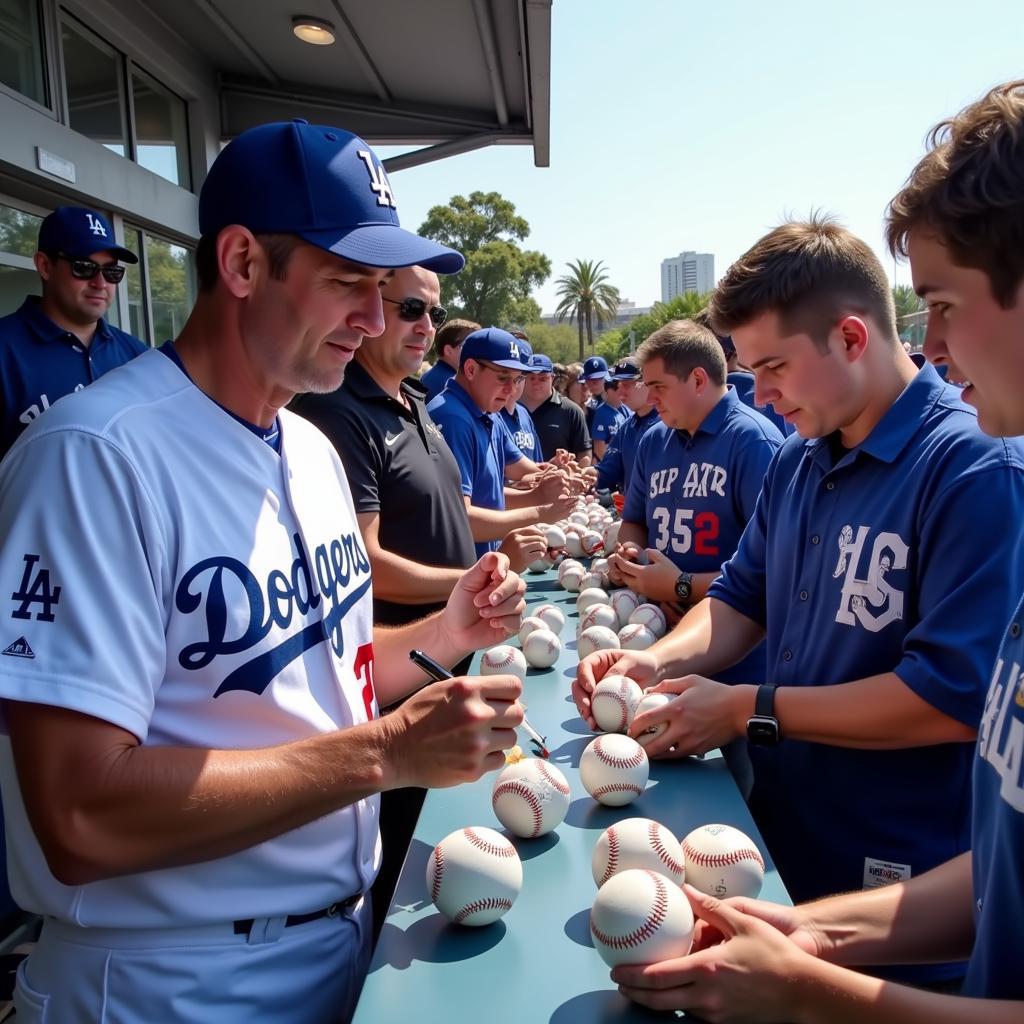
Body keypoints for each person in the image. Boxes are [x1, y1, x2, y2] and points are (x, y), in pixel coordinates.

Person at [0, 121, 528, 1024]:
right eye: (349, 283)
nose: (372, 317)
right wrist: (387, 754)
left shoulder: (313, 448)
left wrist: (443, 637)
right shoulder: (95, 455)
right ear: (242, 263)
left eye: (385, 291)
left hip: (334, 944)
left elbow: (320, 680)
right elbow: (81, 815)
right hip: (167, 978)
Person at [609, 79, 1024, 1023]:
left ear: (848, 336)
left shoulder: (974, 470)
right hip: (806, 862)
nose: (760, 392)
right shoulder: (800, 463)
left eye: (772, 368)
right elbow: (739, 598)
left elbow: (946, 701)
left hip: (903, 882)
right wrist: (657, 659)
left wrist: (753, 708)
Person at [0, 206, 147, 459]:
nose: (101, 283)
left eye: (112, 272)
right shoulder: (5, 350)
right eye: (84, 267)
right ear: (45, 266)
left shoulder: (137, 356)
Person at [427, 329, 575, 559]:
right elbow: (459, 519)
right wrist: (540, 512)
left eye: (517, 379)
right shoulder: (452, 417)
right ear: (471, 369)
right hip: (457, 577)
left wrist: (547, 485)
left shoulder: (487, 410)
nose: (512, 389)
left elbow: (489, 493)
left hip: (482, 567)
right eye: (503, 377)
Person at [595, 358, 660, 494]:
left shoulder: (668, 425)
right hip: (633, 512)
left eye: (626, 385)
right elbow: (609, 470)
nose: (620, 393)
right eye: (618, 386)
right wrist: (583, 476)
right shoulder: (627, 427)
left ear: (647, 383)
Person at [522, 353, 593, 465]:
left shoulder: (571, 411)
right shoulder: (511, 408)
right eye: (531, 378)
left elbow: (584, 454)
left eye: (542, 378)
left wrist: (576, 476)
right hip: (517, 481)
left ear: (552, 378)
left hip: (559, 479)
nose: (536, 383)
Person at [420, 316, 478, 401]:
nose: (476, 352)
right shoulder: (451, 384)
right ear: (448, 351)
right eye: (468, 345)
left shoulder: (430, 375)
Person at [590, 373, 632, 462]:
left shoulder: (626, 409)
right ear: (608, 391)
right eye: (617, 388)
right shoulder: (602, 412)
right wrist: (614, 467)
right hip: (611, 466)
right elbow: (599, 449)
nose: (621, 391)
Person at [580, 354, 609, 430]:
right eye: (590, 379)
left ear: (606, 378)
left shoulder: (617, 401)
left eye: (599, 378)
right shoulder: (588, 406)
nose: (594, 383)